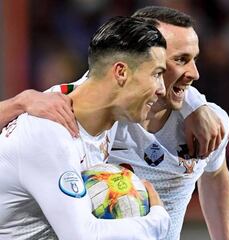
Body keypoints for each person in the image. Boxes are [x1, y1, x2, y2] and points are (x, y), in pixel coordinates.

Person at [49, 6, 229, 240]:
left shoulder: (209, 124)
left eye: (194, 59)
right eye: (180, 59)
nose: (195, 73)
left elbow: (216, 173)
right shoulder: (74, 112)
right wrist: (23, 102)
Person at [0, 16, 170, 239]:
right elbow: (83, 236)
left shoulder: (103, 106)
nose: (162, 89)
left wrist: (197, 107)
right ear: (121, 72)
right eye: (157, 74)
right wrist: (158, 221)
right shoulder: (50, 133)